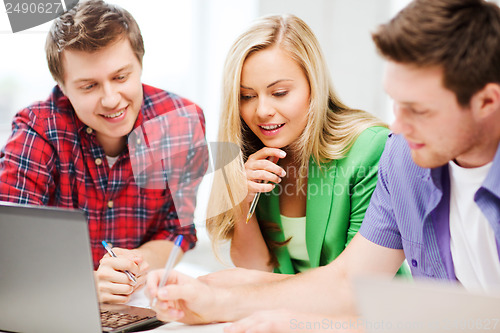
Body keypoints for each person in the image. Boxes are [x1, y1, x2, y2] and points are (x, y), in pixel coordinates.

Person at [146, 0, 500, 329]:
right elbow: (349, 284)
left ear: (487, 102)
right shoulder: (405, 160)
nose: (397, 127)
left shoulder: (377, 149)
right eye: (395, 104)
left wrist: (288, 321)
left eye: (419, 110)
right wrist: (213, 298)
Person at [0, 0, 207, 304]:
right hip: (54, 303)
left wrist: (133, 265)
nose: (111, 100)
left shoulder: (182, 123)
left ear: (140, 64)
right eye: (89, 86)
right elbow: (9, 243)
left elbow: (178, 233)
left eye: (121, 77)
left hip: (138, 303)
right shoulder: (37, 130)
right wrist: (83, 285)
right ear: (62, 86)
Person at [205, 13, 393, 277]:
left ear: (313, 87)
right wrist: (241, 199)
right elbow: (257, 272)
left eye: (279, 93)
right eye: (246, 96)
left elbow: (358, 281)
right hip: (290, 313)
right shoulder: (254, 159)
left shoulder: (370, 148)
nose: (261, 111)